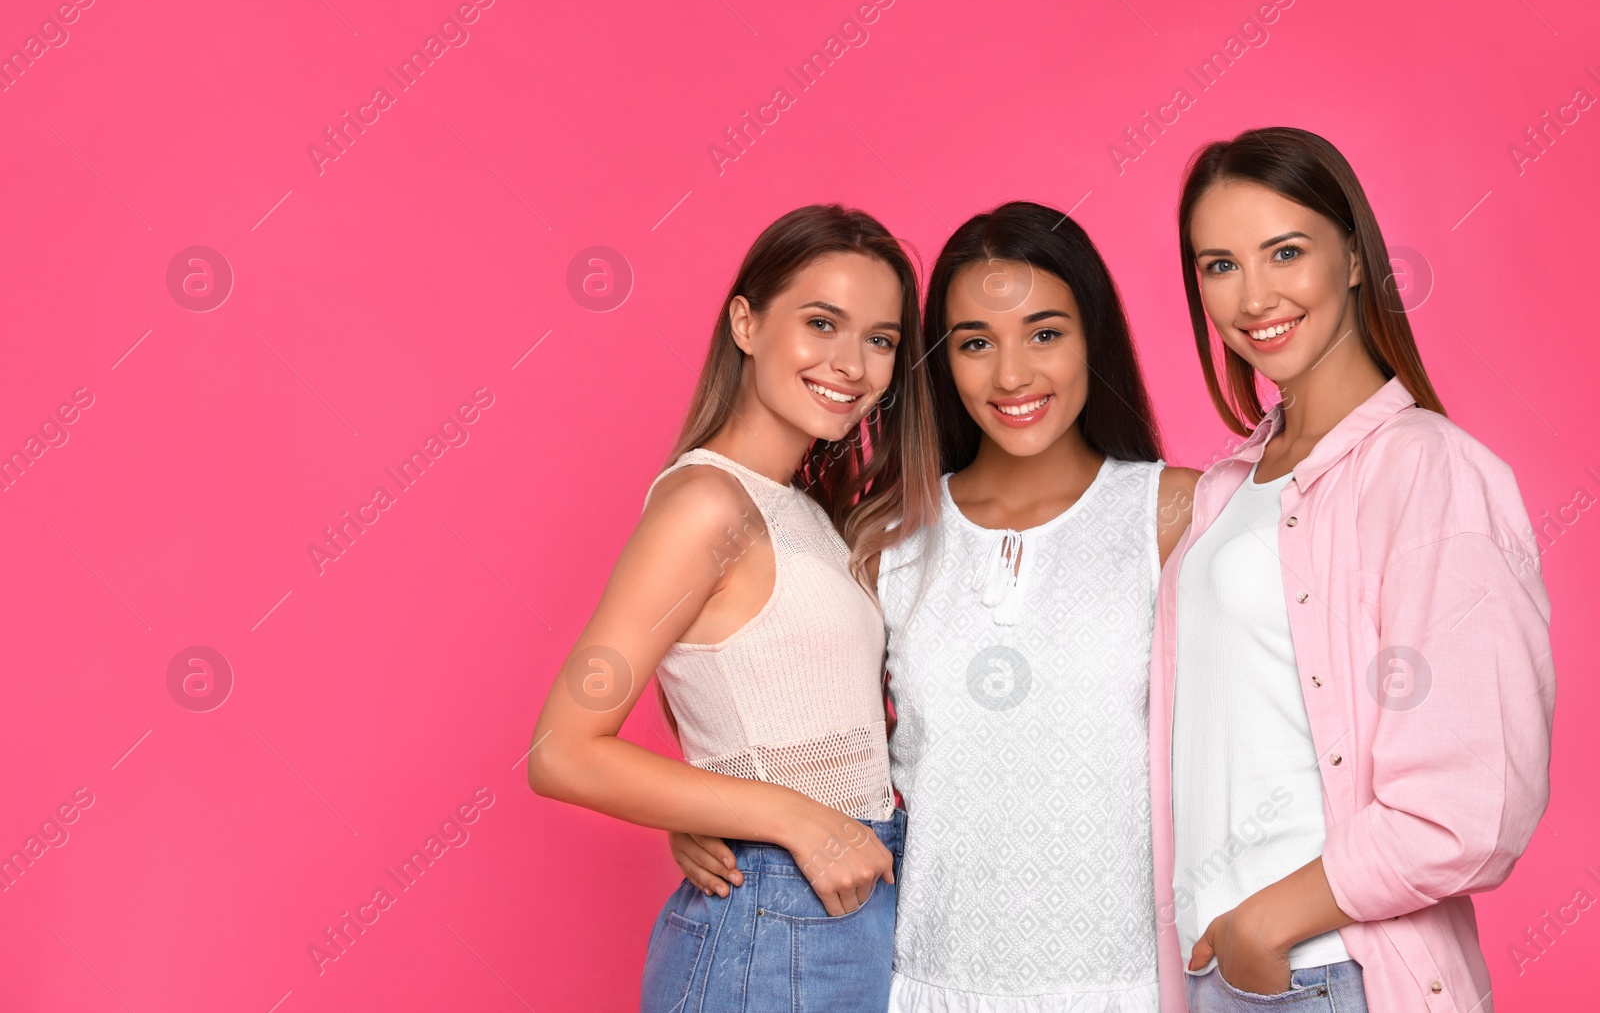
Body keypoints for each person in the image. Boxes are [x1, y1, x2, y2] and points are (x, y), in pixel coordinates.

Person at [671, 200, 1200, 1011]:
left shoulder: (1174, 513)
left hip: (1124, 979)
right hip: (921, 978)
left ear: (1094, 335)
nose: (1013, 374)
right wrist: (715, 807)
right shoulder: (888, 535)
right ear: (939, 361)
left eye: (1046, 333)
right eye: (976, 343)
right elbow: (775, 688)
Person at [1151, 126, 1555, 1013]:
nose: (1254, 295)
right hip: (1216, 973)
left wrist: (1271, 922)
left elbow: (1473, 803)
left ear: (1357, 257)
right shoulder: (1227, 489)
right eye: (1219, 265)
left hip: (1326, 972)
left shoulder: (1428, 470)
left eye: (1285, 252)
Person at [526, 204, 941, 1013]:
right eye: (822, 322)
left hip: (841, 901)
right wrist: (789, 819)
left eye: (880, 339)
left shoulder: (805, 508)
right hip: (778, 915)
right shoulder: (706, 504)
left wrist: (742, 809)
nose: (851, 363)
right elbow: (562, 750)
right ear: (746, 323)